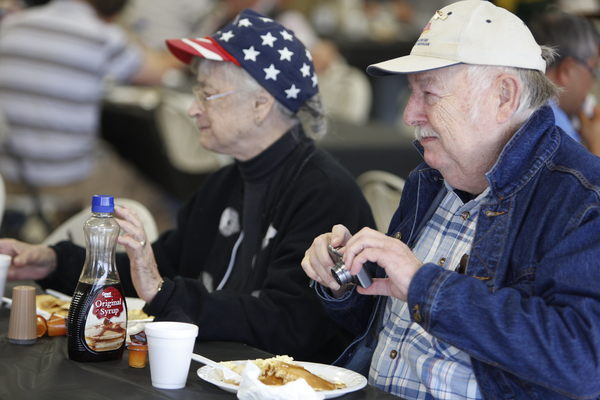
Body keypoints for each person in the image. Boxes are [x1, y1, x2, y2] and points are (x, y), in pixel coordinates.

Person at [0, 9, 375, 363]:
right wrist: (55, 261)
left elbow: (290, 326)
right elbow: (160, 265)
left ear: (261, 105)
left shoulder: (323, 195)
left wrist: (164, 292)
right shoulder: (227, 182)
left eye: (207, 94)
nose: (193, 109)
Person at [301, 1, 600, 398]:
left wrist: (423, 285)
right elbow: (384, 328)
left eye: (429, 94)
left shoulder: (581, 198)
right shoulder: (430, 179)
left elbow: (582, 361)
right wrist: (345, 279)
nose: (409, 114)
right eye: (411, 93)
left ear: (504, 96)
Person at [0, 0, 176, 233]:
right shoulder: (100, 35)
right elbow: (158, 71)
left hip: (9, 173)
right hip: (65, 176)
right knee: (154, 208)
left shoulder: (12, 25)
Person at [528, 10, 600, 154]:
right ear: (567, 70)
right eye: (592, 71)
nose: (591, 84)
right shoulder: (555, 126)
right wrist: (596, 145)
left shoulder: (522, 102)